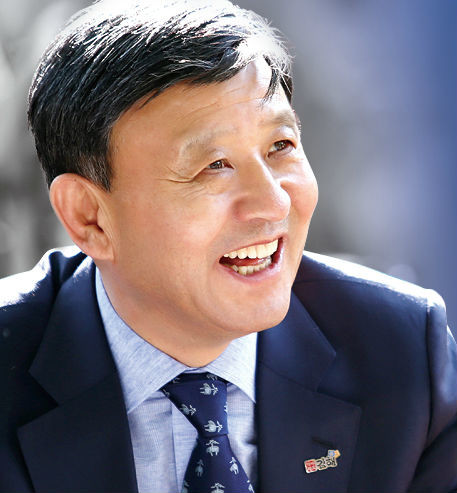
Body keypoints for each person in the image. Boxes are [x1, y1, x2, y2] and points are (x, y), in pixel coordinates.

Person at [0, 0, 456, 492]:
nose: (273, 203)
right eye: (213, 166)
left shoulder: (401, 351)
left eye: (280, 146)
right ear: (89, 217)